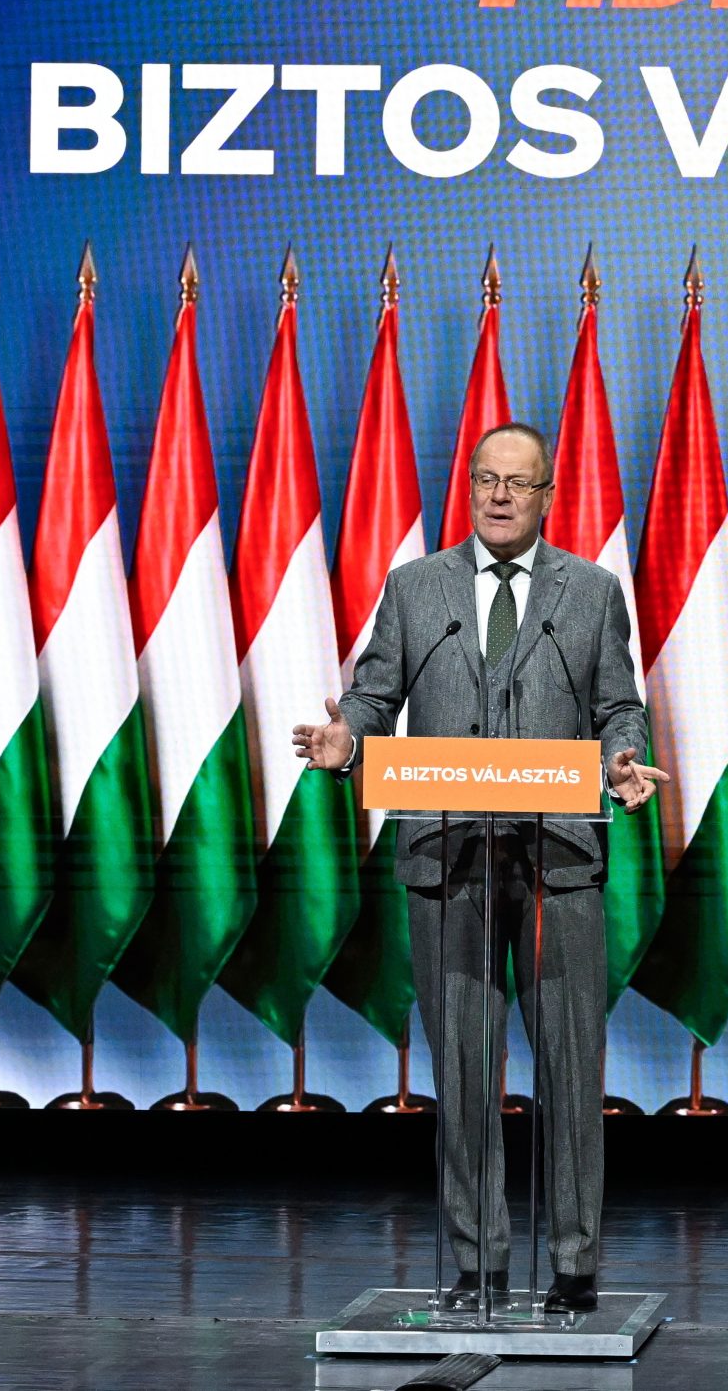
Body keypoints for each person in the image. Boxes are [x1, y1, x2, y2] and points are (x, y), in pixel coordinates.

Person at [293, 421, 663, 1313]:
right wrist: (348, 740)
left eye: (518, 483)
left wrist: (622, 760)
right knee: (462, 1066)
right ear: (469, 488)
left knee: (570, 1065)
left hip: (557, 860)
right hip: (447, 857)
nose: (500, 496)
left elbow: (620, 705)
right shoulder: (417, 587)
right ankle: (477, 1261)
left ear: (547, 496)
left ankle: (573, 1265)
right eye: (486, 480)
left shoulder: (592, 591)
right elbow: (374, 694)